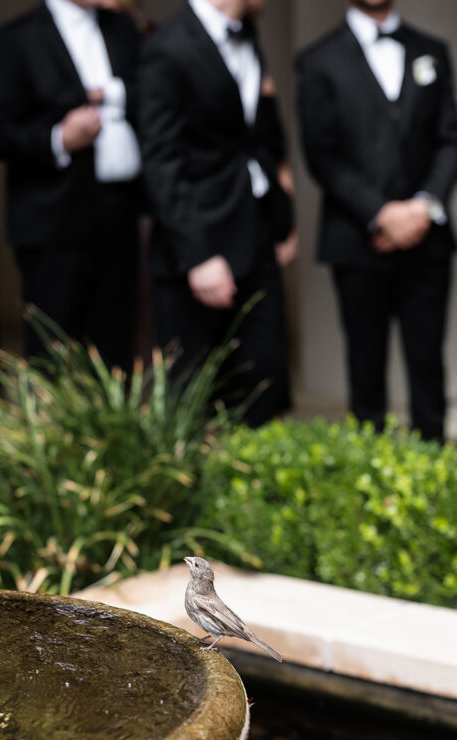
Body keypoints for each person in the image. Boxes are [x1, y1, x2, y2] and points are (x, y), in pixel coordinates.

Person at [296, 0, 457, 443]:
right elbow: (322, 155)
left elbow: (449, 138)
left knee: (427, 359)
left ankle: (432, 470)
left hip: (428, 238)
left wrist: (424, 207)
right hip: (357, 239)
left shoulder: (432, 50)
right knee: (365, 363)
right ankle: (370, 475)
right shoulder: (318, 59)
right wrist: (381, 214)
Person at [139, 0, 294, 426]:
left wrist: (284, 220)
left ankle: (255, 484)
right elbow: (161, 162)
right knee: (192, 390)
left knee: (265, 374)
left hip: (257, 230)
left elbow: (256, 136)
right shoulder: (168, 47)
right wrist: (199, 256)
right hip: (199, 241)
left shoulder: (248, 34)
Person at [0, 0, 142, 367]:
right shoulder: (15, 39)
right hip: (52, 219)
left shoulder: (123, 29)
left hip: (118, 214)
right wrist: (57, 139)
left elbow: (150, 92)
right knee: (51, 351)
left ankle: (110, 425)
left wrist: (111, 94)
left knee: (114, 348)